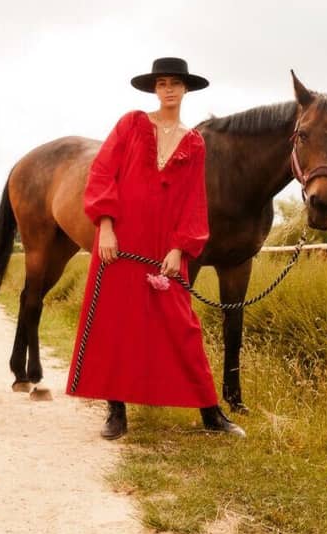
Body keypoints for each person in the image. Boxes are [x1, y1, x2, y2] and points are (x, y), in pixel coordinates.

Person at [66, 57, 245, 440]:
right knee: (117, 324)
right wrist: (107, 228)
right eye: (161, 83)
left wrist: (181, 249)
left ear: (185, 89)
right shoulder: (131, 124)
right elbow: (102, 173)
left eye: (174, 83)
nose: (168, 89)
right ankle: (116, 411)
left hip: (165, 247)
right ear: (154, 89)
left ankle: (210, 412)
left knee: (183, 326)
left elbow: (193, 200)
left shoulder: (194, 143)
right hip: (120, 240)